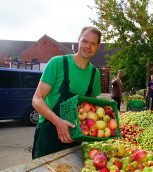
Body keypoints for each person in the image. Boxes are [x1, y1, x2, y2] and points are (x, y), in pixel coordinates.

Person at [31, 26, 102, 159]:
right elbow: (37, 99)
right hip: (48, 135)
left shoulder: (95, 74)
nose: (88, 46)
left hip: (75, 140)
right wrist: (58, 122)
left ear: (98, 47)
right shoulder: (57, 63)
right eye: (85, 41)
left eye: (93, 43)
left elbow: (90, 109)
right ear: (78, 41)